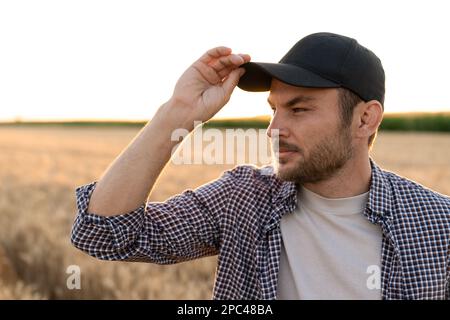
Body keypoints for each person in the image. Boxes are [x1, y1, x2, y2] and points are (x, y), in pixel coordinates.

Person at [71, 32, 450, 300]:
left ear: (365, 119)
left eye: (299, 109)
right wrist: (177, 114)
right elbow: (105, 234)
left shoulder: (438, 224)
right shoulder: (244, 197)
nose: (274, 129)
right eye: (274, 110)